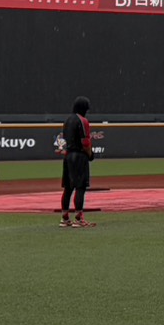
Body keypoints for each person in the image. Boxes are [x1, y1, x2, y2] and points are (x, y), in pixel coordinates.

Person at [59, 96, 95, 228]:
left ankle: (64, 217)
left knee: (68, 188)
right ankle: (79, 218)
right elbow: (85, 142)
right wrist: (90, 154)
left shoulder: (67, 120)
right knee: (80, 187)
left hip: (68, 156)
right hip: (79, 156)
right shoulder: (83, 120)